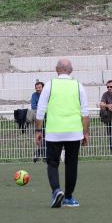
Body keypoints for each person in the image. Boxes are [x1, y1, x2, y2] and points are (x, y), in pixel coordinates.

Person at [35, 58, 89, 208]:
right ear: (71, 70)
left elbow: (40, 110)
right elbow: (85, 112)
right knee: (71, 164)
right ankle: (69, 198)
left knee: (52, 163)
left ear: (56, 69)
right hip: (74, 132)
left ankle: (56, 191)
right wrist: (86, 133)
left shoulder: (50, 85)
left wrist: (38, 130)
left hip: (54, 132)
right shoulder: (78, 86)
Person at [31, 81, 46, 163]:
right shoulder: (34, 95)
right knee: (40, 138)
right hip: (38, 120)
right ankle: (41, 155)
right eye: (36, 88)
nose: (38, 89)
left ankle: (39, 154)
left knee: (46, 138)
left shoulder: (46, 95)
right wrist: (43, 108)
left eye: (39, 88)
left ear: (43, 87)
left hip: (48, 119)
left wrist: (40, 107)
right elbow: (33, 106)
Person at [99, 80, 112, 150]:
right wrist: (108, 105)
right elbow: (101, 104)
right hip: (109, 118)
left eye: (111, 87)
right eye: (108, 87)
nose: (109, 88)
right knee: (110, 134)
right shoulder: (105, 94)